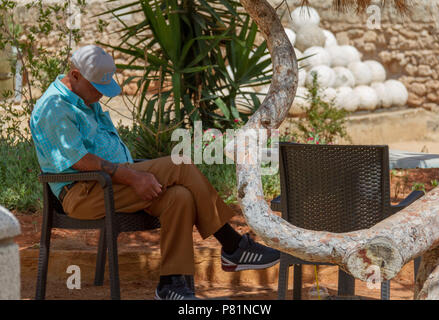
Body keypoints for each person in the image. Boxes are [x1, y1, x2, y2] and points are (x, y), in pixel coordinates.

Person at [30, 45, 280, 300]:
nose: (101, 96)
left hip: (113, 183)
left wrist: (135, 173)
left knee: (180, 196)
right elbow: (81, 161)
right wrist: (134, 177)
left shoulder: (84, 99)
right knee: (179, 164)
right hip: (84, 193)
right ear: (74, 76)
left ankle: (170, 285)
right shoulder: (55, 107)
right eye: (97, 88)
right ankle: (232, 245)